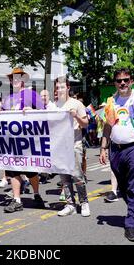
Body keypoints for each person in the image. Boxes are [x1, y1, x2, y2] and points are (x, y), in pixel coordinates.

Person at [100, 68, 134, 242]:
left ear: (131, 81)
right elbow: (107, 127)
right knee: (122, 188)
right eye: (119, 80)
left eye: (126, 79)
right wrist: (103, 147)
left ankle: (131, 225)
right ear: (115, 83)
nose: (122, 83)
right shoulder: (111, 101)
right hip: (115, 150)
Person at [1, 67, 45, 213]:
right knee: (13, 170)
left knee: (31, 171)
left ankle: (37, 194)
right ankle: (17, 200)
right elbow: (2, 116)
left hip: (28, 139)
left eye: (18, 78)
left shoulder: (31, 94)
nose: (15, 81)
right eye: (12, 79)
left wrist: (33, 111)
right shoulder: (8, 99)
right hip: (12, 140)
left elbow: (45, 112)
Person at [55, 76, 91, 217]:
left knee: (77, 176)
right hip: (60, 147)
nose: (60, 90)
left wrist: (76, 116)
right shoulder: (54, 105)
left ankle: (84, 202)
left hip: (74, 144)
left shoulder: (76, 104)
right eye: (58, 87)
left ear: (68, 88)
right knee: (64, 178)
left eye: (62, 87)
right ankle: (70, 204)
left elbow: (86, 124)